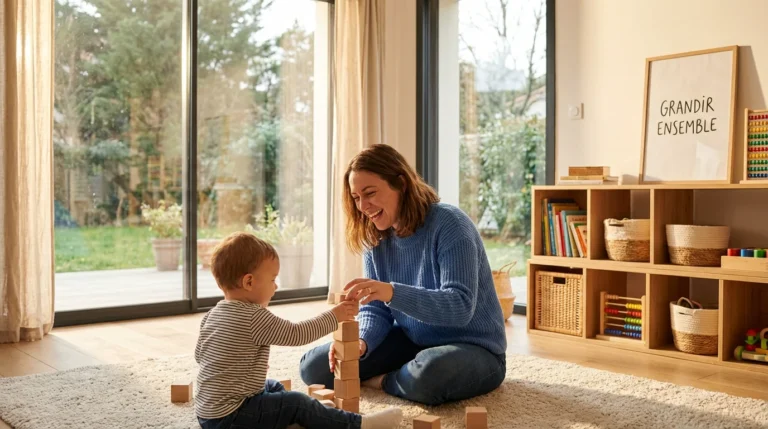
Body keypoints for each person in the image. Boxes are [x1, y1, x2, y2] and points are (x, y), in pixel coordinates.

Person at [300, 144, 507, 406]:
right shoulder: (376, 237)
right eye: (356, 197)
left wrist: (392, 291)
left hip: (475, 348)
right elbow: (376, 311)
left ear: (401, 184)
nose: (363, 206)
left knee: (429, 375)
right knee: (316, 367)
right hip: (413, 341)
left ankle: (383, 380)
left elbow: (460, 306)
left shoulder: (450, 224)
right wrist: (362, 342)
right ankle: (401, 376)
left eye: (370, 193)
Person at [195, 232, 403, 429]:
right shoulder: (253, 315)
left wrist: (242, 363)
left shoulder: (212, 314)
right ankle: (358, 424)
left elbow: (201, 356)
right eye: (272, 280)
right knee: (295, 402)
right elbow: (297, 334)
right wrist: (335, 316)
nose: (275, 287)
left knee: (273, 387)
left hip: (207, 414)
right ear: (249, 281)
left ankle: (310, 417)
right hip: (231, 417)